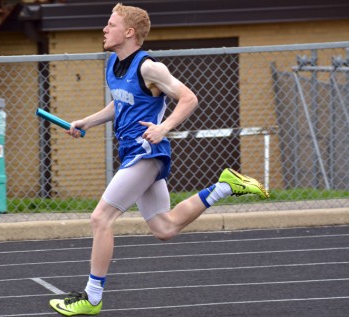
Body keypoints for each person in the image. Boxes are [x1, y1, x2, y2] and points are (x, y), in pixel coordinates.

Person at [49, 3, 269, 316]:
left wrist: (163, 127)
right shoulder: (113, 63)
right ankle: (225, 186)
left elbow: (189, 98)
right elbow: (121, 104)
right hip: (131, 151)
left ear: (129, 32)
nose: (104, 29)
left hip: (146, 152)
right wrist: (86, 121)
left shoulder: (149, 67)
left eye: (110, 24)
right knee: (165, 228)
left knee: (100, 219)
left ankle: (92, 297)